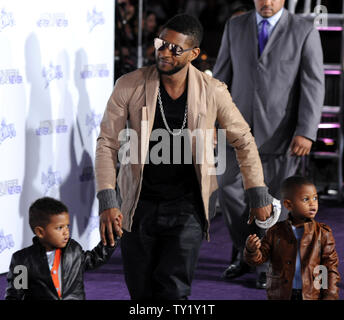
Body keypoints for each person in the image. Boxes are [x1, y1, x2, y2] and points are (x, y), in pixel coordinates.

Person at [95, 13, 274, 300]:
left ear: (194, 54)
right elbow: (107, 144)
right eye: (161, 44)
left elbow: (243, 139)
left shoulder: (213, 91)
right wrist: (107, 197)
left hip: (187, 207)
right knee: (141, 294)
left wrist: (257, 192)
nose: (164, 52)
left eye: (175, 49)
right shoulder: (129, 85)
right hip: (137, 204)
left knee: (174, 292)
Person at [212, 0, 324, 288]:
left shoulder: (304, 30)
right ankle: (247, 249)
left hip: (282, 134)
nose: (267, 2)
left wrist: (306, 130)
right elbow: (221, 78)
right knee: (227, 188)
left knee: (275, 201)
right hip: (236, 131)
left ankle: (270, 261)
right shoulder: (234, 26)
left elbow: (313, 83)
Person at [244, 176, 340, 300]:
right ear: (288, 204)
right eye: (306, 199)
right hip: (280, 294)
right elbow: (259, 259)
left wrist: (330, 295)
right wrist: (252, 251)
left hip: (311, 294)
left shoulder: (323, 233)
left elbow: (330, 267)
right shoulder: (275, 231)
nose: (313, 203)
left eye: (315, 198)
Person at [5, 197, 119, 300]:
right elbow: (15, 294)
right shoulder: (22, 260)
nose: (66, 232)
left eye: (67, 226)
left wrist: (113, 235)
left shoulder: (74, 250)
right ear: (40, 232)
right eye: (59, 228)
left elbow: (96, 258)